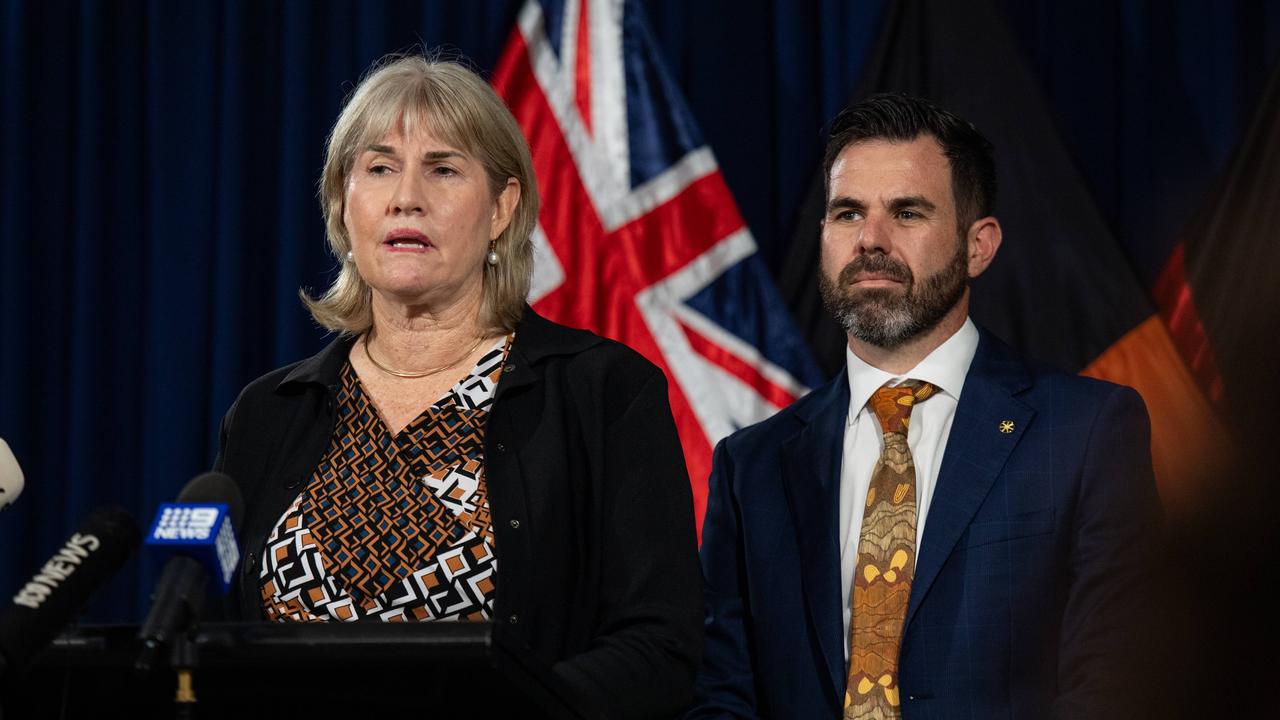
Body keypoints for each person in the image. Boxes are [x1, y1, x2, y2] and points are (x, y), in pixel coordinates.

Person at [214, 54, 702, 719]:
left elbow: (661, 646)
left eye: (442, 169)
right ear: (342, 202)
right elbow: (216, 644)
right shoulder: (268, 415)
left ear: (503, 207)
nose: (405, 196)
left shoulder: (602, 393)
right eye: (379, 168)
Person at [687, 94, 1161, 718]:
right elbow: (719, 696)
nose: (871, 240)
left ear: (978, 246)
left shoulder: (1088, 431)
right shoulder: (752, 466)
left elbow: (1117, 682)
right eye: (848, 213)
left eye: (907, 212)